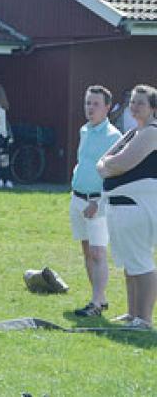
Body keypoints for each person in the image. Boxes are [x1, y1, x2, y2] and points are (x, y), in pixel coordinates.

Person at [97, 84, 157, 329]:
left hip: (138, 207)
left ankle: (144, 318)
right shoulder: (133, 133)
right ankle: (132, 313)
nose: (134, 107)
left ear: (153, 108)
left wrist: (107, 164)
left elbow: (122, 162)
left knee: (141, 263)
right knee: (130, 264)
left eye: (140, 103)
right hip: (121, 207)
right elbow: (103, 161)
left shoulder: (152, 132)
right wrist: (107, 164)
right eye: (132, 102)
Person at [68, 85, 122, 317]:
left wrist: (97, 201)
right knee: (86, 250)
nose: (90, 108)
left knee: (98, 252)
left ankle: (96, 304)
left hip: (97, 202)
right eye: (88, 103)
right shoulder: (84, 130)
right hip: (77, 198)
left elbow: (114, 173)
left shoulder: (114, 136)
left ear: (107, 107)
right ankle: (99, 297)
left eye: (96, 104)